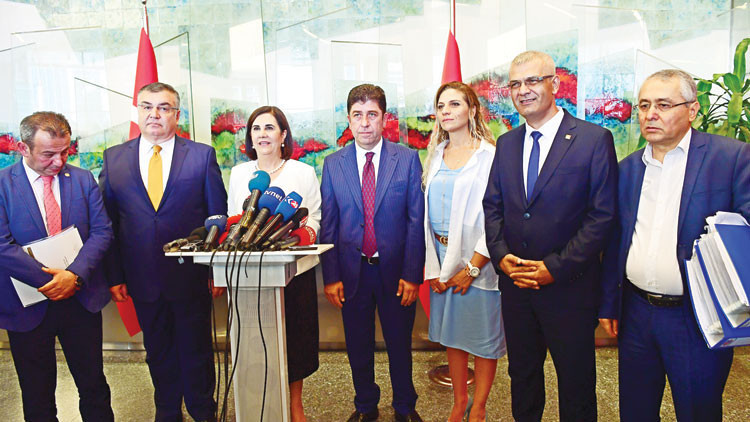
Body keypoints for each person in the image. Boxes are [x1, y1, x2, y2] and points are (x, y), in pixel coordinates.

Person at [599, 69, 750, 421]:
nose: (650, 114)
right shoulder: (627, 169)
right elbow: (616, 239)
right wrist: (609, 303)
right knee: (635, 410)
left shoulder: (730, 158)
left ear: (692, 110)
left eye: (663, 105)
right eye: (644, 105)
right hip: (636, 313)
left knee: (698, 411)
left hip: (696, 317)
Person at [482, 51, 618, 422]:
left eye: (532, 80)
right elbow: (492, 207)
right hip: (516, 289)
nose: (523, 90)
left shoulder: (593, 140)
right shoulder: (507, 143)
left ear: (554, 84)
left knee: (576, 385)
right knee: (523, 378)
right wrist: (501, 256)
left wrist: (554, 268)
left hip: (569, 289)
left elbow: (601, 217)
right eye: (515, 84)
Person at [99, 82, 227, 422]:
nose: (154, 114)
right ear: (137, 112)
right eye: (147, 106)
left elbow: (216, 217)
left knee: (197, 350)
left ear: (176, 115)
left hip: (191, 276)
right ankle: (167, 410)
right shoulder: (114, 159)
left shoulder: (201, 156)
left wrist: (215, 271)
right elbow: (107, 223)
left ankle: (203, 410)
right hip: (141, 277)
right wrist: (114, 275)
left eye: (163, 107)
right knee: (157, 351)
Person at [320, 84, 425, 422]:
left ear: (384, 118)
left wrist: (412, 275)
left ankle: (405, 406)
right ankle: (365, 405)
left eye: (372, 115)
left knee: (399, 344)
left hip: (395, 273)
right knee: (358, 345)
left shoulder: (406, 160)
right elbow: (329, 224)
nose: (364, 123)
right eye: (357, 115)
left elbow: (415, 221)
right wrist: (331, 276)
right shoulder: (332, 164)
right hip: (353, 272)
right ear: (349, 119)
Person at [0, 112, 114, 421]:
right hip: (27, 305)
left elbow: (102, 232)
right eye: (48, 154)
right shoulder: (3, 184)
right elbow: (2, 245)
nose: (58, 161)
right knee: (37, 394)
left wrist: (73, 276)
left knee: (94, 386)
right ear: (23, 148)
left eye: (65, 152)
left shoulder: (83, 179)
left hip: (80, 299)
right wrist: (51, 281)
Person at [226, 105, 321, 422]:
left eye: (269, 128)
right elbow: (233, 220)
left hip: (293, 272)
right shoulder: (239, 174)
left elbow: (314, 220)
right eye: (256, 128)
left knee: (295, 342)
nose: (262, 134)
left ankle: (295, 405)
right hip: (248, 276)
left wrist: (296, 238)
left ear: (283, 135)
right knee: (254, 343)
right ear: (250, 138)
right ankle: (259, 404)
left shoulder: (302, 172)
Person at [422, 81, 505, 422]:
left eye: (454, 104)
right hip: (441, 259)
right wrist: (433, 267)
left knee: (484, 339)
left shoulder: (490, 156)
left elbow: (497, 217)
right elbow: (425, 216)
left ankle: (479, 406)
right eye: (441, 106)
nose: (446, 111)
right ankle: (459, 402)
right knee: (453, 336)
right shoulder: (435, 154)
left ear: (472, 110)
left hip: (478, 262)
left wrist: (472, 267)